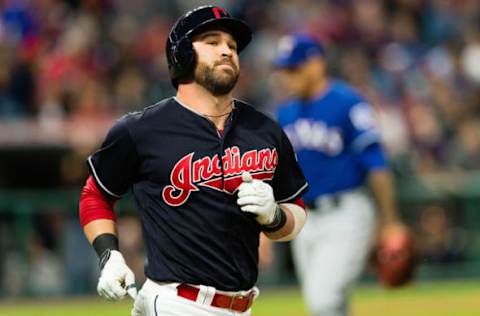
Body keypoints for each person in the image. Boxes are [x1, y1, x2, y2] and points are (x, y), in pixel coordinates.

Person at [78, 6, 308, 316]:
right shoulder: (142, 129)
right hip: (177, 302)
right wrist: (110, 255)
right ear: (182, 54)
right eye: (212, 42)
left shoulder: (264, 129)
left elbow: (297, 210)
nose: (226, 51)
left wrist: (275, 217)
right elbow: (96, 194)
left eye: (232, 46)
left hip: (243, 305)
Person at [271, 33, 406, 316]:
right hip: (304, 220)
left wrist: (390, 221)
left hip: (346, 214)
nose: (287, 76)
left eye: (294, 68)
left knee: (323, 299)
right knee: (329, 305)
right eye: (284, 69)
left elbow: (377, 164)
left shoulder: (348, 102)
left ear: (316, 63)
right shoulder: (286, 113)